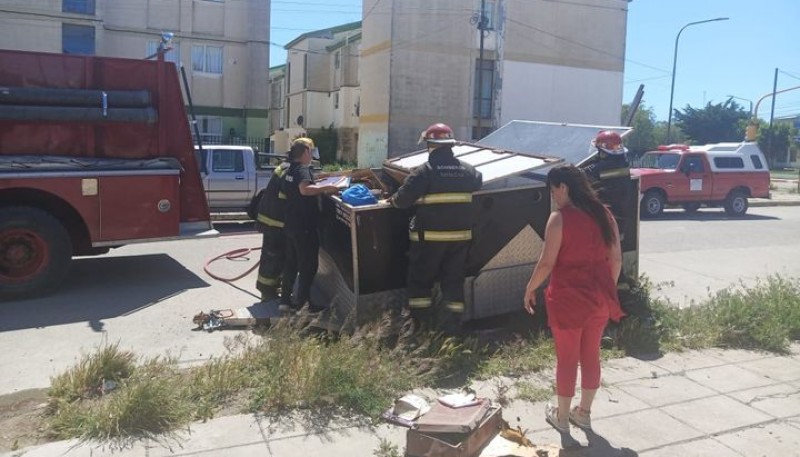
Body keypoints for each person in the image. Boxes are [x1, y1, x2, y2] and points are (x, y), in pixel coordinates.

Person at [523, 165, 624, 434]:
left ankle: (563, 418)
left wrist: (529, 288)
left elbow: (546, 263)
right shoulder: (605, 215)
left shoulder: (559, 219)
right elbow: (616, 259)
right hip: (599, 299)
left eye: (553, 189)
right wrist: (606, 291)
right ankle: (585, 413)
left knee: (567, 359)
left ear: (564, 187)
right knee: (591, 355)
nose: (553, 195)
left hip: (568, 300)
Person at [386, 123, 483, 335]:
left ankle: (421, 329)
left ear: (430, 145)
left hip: (429, 240)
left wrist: (391, 199)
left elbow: (402, 201)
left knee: (421, 283)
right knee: (453, 283)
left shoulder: (424, 172)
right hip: (460, 240)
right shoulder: (469, 171)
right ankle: (452, 329)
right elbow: (478, 183)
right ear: (450, 145)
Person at [280, 137, 339, 313]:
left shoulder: (289, 169)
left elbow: (295, 189)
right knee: (308, 265)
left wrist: (317, 183)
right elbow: (304, 190)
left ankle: (285, 301)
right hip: (304, 226)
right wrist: (327, 189)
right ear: (305, 152)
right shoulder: (303, 170)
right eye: (310, 151)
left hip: (290, 224)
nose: (312, 155)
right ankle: (304, 305)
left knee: (291, 263)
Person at [253, 152, 291, 302]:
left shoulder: (282, 167)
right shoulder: (288, 171)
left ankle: (268, 289)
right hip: (275, 222)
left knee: (270, 256)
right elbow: (285, 196)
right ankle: (267, 292)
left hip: (269, 220)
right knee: (274, 257)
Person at [581, 130, 631, 238]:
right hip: (619, 222)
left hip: (605, 224)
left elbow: (583, 173)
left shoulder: (600, 168)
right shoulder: (622, 164)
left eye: (598, 150)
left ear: (603, 151)